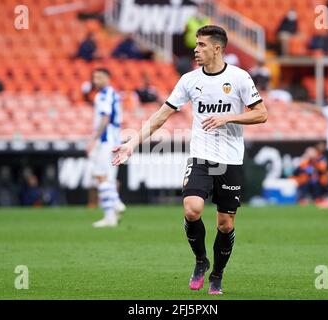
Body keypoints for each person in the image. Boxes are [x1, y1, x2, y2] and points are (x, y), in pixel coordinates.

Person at [112, 25, 268, 294]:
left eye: (202, 45)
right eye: (196, 45)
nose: (196, 50)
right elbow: (162, 115)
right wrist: (134, 142)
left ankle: (217, 274)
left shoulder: (240, 78)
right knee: (192, 209)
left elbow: (261, 113)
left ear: (217, 48)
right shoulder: (189, 80)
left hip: (230, 159)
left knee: (225, 223)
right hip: (201, 156)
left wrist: (228, 117)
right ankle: (200, 260)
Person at [87, 68, 126, 228]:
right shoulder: (113, 94)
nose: (96, 80)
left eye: (99, 77)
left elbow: (105, 117)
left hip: (107, 140)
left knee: (102, 176)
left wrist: (94, 139)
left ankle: (115, 206)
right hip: (114, 139)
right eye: (94, 77)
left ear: (108, 78)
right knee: (104, 177)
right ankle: (111, 214)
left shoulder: (104, 94)